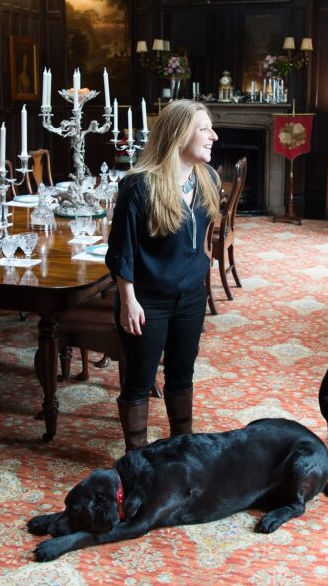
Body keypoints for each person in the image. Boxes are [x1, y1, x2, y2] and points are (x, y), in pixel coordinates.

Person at [105, 100, 220, 451]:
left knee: (182, 376)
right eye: (204, 129)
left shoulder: (208, 178)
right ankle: (136, 456)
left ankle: (182, 450)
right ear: (179, 134)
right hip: (146, 300)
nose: (213, 136)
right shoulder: (139, 185)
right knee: (139, 380)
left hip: (191, 297)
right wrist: (128, 300)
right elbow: (121, 250)